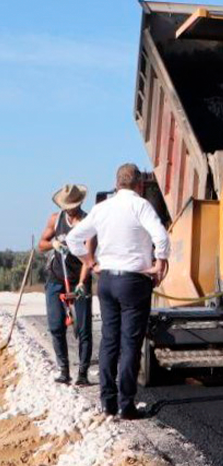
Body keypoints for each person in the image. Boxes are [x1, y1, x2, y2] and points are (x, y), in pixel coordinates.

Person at [66, 164, 170, 419]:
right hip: (134, 282)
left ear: (116, 184)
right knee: (130, 343)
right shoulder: (141, 205)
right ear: (140, 185)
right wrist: (160, 263)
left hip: (108, 282)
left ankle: (107, 402)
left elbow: (72, 240)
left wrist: (90, 263)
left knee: (109, 342)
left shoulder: (102, 209)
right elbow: (162, 237)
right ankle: (126, 405)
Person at [38, 184, 95, 386]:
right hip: (56, 278)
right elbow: (41, 245)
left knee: (83, 329)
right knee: (55, 325)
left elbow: (88, 258)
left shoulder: (88, 223)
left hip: (78, 278)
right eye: (67, 205)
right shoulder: (56, 219)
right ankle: (63, 370)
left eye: (73, 205)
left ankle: (82, 372)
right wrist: (52, 244)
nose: (70, 209)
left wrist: (81, 283)